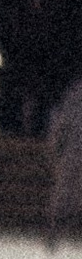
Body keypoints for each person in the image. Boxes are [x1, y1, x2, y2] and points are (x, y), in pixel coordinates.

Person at [44, 64, 82, 248]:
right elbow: (62, 122)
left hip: (72, 150)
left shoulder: (74, 92)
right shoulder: (75, 92)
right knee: (65, 193)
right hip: (74, 150)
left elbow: (60, 123)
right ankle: (54, 234)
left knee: (67, 194)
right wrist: (55, 146)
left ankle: (58, 233)